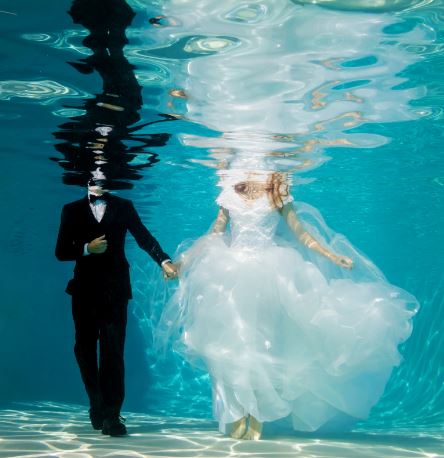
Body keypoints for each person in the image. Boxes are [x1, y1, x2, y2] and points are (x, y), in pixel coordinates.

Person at [157, 170, 418, 440]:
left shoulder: (277, 188)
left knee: (261, 343)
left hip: (270, 274)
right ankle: (235, 411)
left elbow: (300, 232)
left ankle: (257, 412)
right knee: (230, 345)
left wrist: (331, 255)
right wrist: (182, 263)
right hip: (228, 273)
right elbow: (214, 233)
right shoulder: (231, 189)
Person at [56, 178, 177, 436]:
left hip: (116, 290)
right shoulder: (71, 209)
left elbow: (144, 237)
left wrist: (163, 261)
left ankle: (112, 415)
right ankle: (96, 402)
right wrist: (88, 248)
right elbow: (61, 251)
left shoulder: (124, 206)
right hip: (84, 290)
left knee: (113, 352)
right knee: (85, 349)